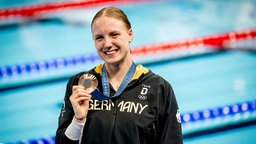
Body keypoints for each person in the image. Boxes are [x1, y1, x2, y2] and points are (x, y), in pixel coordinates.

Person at [56, 6, 183, 144]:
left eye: (114, 34)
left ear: (130, 35)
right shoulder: (80, 84)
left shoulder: (158, 88)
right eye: (99, 38)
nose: (107, 44)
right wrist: (78, 120)